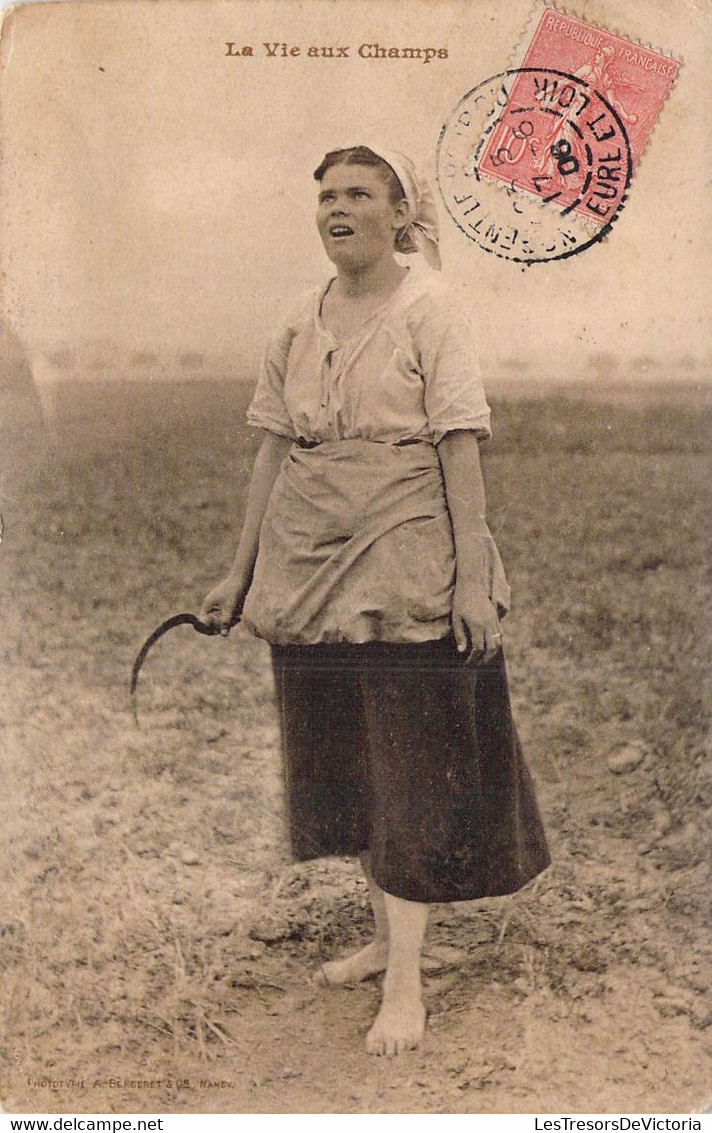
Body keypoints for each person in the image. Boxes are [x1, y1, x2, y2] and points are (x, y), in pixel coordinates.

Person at [200, 145, 550, 1057]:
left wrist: (470, 577)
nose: (337, 208)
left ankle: (405, 981)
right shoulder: (296, 317)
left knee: (407, 758)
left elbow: (461, 442)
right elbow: (272, 448)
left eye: (358, 193)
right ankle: (381, 937)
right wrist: (239, 574)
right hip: (309, 553)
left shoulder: (430, 306)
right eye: (325, 196)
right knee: (349, 753)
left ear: (400, 213)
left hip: (404, 550)